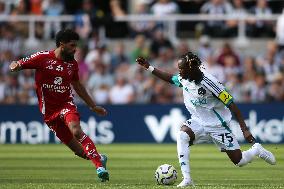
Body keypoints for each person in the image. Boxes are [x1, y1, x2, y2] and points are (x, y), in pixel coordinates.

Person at [136, 52, 276, 187]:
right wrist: (149, 67)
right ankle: (187, 179)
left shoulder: (210, 83)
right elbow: (170, 78)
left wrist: (244, 129)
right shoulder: (185, 78)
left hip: (218, 125)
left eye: (181, 69)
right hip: (198, 121)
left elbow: (232, 105)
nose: (179, 72)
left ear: (190, 68)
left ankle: (257, 150)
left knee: (239, 161)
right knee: (182, 135)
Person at [9, 29, 109, 182]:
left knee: (76, 131)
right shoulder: (42, 58)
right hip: (49, 113)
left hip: (66, 105)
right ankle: (100, 158)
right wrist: (15, 65)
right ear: (62, 45)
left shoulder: (72, 64)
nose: (75, 49)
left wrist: (92, 105)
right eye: (72, 45)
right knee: (79, 152)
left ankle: (99, 168)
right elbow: (20, 63)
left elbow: (78, 86)